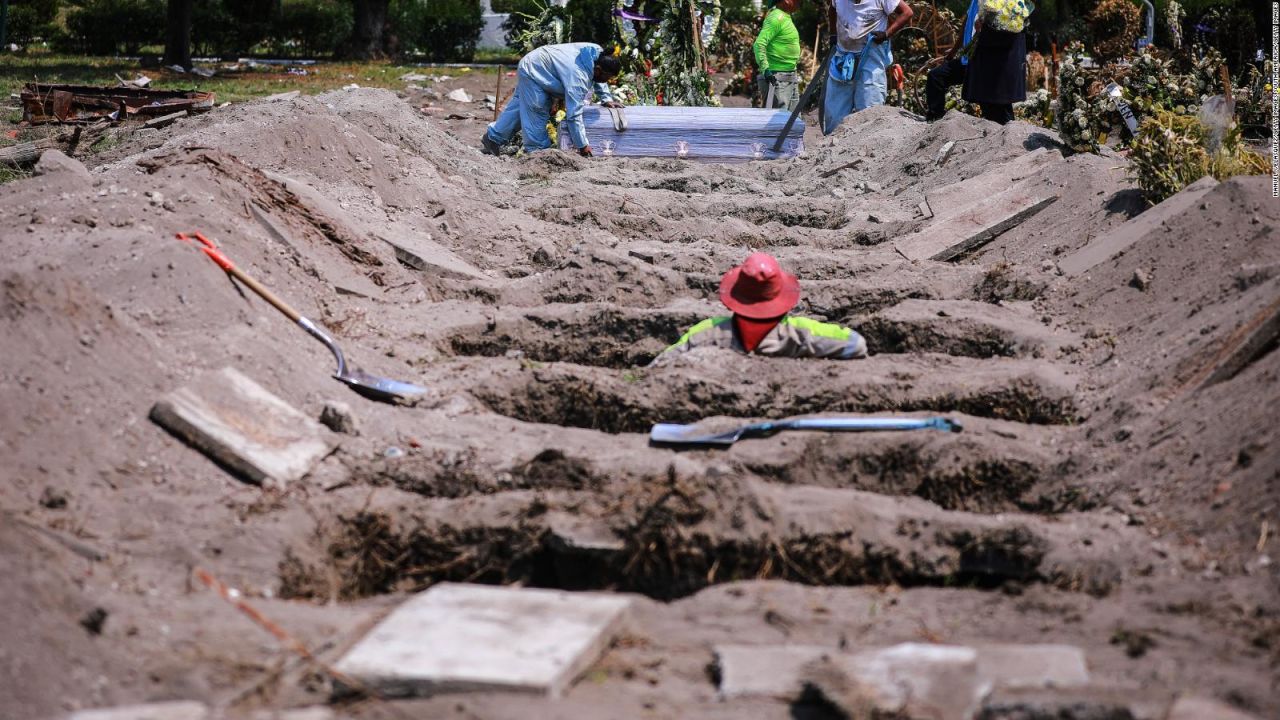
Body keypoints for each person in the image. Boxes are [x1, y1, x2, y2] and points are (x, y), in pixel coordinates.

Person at [655, 253, 868, 363]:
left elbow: (662, 363)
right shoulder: (802, 334)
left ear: (736, 297)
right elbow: (856, 344)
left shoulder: (707, 333)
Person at [481, 43, 623, 157]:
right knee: (538, 108)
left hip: (537, 63)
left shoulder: (597, 54)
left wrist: (606, 98)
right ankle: (538, 153)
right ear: (598, 70)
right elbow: (574, 115)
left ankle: (493, 138)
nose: (608, 81)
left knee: (520, 108)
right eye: (608, 78)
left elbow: (597, 77)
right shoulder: (578, 77)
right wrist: (582, 145)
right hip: (535, 70)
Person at [822, 0, 913, 135]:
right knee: (835, 112)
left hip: (871, 55)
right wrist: (833, 35)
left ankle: (869, 143)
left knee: (870, 107)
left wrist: (886, 34)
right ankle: (833, 141)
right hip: (844, 56)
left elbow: (907, 13)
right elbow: (832, 9)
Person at [961, 11, 1026, 125]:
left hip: (998, 73)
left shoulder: (1011, 8)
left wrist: (983, 28)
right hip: (994, 73)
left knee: (999, 116)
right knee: (995, 112)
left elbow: (1005, 33)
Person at [924, 0, 981, 121]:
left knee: (985, 99)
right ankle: (936, 116)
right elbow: (965, 27)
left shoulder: (992, 4)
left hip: (980, 62)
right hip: (966, 60)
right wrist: (952, 52)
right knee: (935, 76)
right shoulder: (974, 2)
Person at [753, 0, 803, 111]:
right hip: (776, 79)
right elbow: (759, 44)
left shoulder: (785, 17)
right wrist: (765, 70)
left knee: (793, 122)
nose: (800, 2)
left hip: (789, 77)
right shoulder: (776, 18)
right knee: (778, 122)